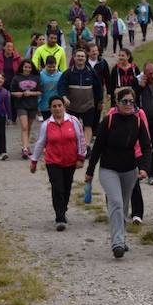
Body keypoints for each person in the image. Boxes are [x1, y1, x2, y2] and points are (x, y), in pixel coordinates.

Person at [85, 87, 152, 258]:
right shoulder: (108, 121)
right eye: (125, 101)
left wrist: (144, 168)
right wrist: (90, 171)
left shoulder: (137, 122)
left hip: (130, 170)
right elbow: (98, 147)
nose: (128, 104)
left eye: (131, 101)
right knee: (115, 202)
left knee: (123, 205)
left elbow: (146, 148)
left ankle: (121, 238)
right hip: (109, 169)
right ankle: (117, 244)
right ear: (117, 103)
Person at [30, 97, 86, 231]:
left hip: (70, 161)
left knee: (66, 188)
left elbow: (81, 140)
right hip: (53, 161)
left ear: (64, 107)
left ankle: (63, 209)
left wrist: (81, 158)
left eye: (59, 105)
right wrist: (34, 161)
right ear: (50, 109)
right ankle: (59, 217)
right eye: (54, 106)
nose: (57, 108)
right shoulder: (46, 124)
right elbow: (40, 144)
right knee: (57, 188)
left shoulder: (73, 121)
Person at [58, 49, 103, 154]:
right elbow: (61, 86)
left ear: (85, 58)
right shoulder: (68, 73)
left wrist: (100, 101)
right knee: (72, 127)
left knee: (88, 126)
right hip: (72, 106)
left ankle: (86, 147)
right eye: (78, 56)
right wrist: (64, 97)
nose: (80, 58)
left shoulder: (91, 72)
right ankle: (73, 146)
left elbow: (98, 87)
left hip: (88, 105)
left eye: (82, 56)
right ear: (74, 58)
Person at [10, 59, 41, 158]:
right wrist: (17, 94)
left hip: (32, 105)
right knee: (24, 126)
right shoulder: (16, 78)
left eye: (29, 67)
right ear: (22, 67)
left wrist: (31, 93)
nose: (27, 69)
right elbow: (11, 91)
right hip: (21, 105)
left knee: (29, 127)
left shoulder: (36, 78)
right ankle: (25, 149)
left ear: (32, 68)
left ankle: (27, 145)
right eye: (26, 67)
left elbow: (40, 92)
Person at [38, 55, 62, 121]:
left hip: (57, 106)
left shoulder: (60, 75)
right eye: (49, 67)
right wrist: (38, 107)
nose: (51, 69)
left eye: (53, 67)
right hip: (45, 106)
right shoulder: (40, 75)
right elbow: (38, 91)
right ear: (45, 65)